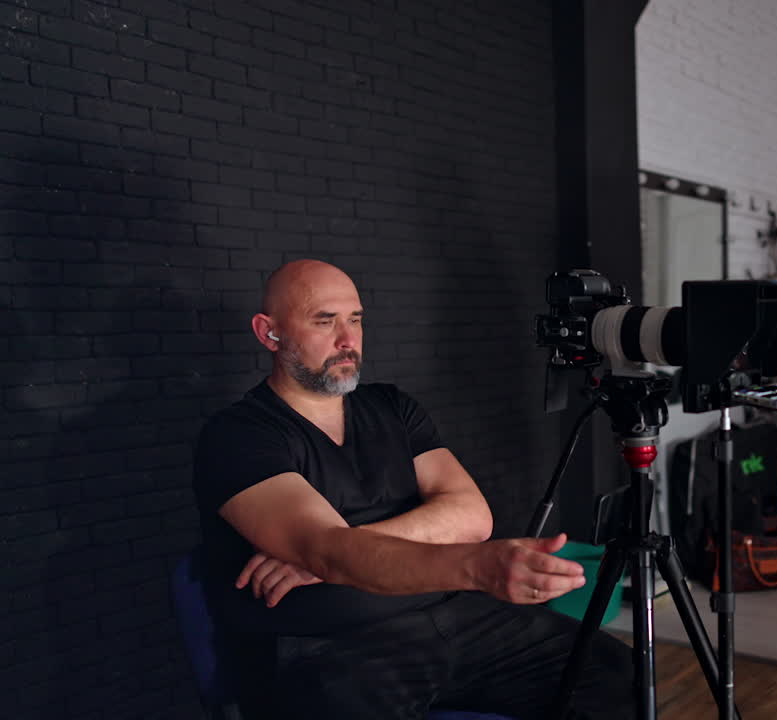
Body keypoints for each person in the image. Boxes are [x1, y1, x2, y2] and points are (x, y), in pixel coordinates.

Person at [192, 259, 633, 719]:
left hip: (452, 619)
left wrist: (343, 552)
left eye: (356, 319)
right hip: (331, 647)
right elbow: (324, 548)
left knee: (616, 674)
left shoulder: (392, 407)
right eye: (325, 322)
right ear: (269, 333)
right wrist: (475, 567)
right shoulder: (239, 435)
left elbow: (472, 516)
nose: (348, 340)